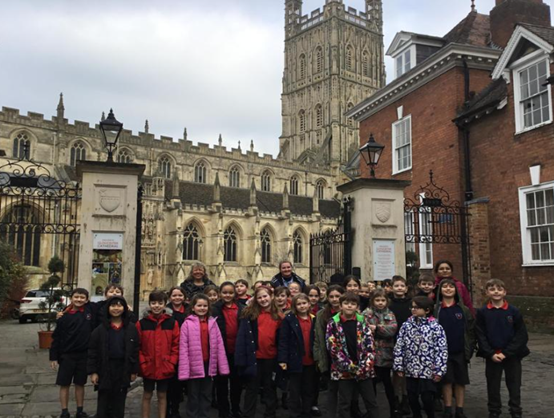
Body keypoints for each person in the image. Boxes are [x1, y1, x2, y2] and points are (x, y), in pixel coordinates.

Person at [475, 279, 529, 418]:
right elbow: (480, 335)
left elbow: (521, 335)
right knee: (493, 385)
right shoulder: (482, 312)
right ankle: (494, 410)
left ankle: (515, 410)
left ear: (505, 292)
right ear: (487, 292)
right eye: (492, 289)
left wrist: (506, 353)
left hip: (512, 355)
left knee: (514, 384)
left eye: (499, 289)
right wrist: (490, 353)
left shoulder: (513, 311)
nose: (496, 292)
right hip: (492, 355)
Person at [326, 292, 379, 418]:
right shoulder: (333, 323)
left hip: (364, 369)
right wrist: (348, 366)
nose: (349, 306)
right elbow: (333, 347)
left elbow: (370, 345)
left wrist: (365, 365)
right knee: (344, 403)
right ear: (340, 306)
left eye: (353, 304)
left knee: (371, 401)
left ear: (357, 306)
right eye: (346, 303)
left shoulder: (363, 321)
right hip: (343, 370)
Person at [393, 296, 448, 418]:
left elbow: (441, 349)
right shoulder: (406, 326)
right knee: (412, 397)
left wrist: (439, 370)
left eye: (417, 308)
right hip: (411, 368)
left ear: (427, 310)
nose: (413, 309)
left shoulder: (435, 327)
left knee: (427, 398)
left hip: (428, 370)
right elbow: (399, 345)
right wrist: (399, 365)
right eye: (412, 307)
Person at [235, 286, 283, 418]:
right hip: (254, 357)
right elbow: (243, 337)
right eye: (259, 297)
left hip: (271, 357)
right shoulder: (250, 314)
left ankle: (270, 413)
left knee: (270, 387)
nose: (263, 299)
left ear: (271, 297)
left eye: (265, 296)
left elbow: (281, 338)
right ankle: (248, 414)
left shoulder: (279, 316)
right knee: (252, 387)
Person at [179, 293, 230, 418]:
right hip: (194, 365)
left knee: (206, 394)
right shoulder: (187, 324)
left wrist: (223, 367)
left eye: (205, 306)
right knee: (193, 395)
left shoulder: (213, 323)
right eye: (199, 305)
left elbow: (219, 345)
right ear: (193, 307)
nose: (202, 308)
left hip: (208, 364)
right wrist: (184, 369)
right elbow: (183, 347)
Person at [87, 296, 139, 418]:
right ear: (108, 308)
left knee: (119, 402)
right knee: (104, 402)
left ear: (124, 308)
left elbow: (135, 350)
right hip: (105, 368)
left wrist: (134, 370)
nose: (116, 308)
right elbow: (92, 351)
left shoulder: (131, 328)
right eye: (113, 305)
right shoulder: (100, 329)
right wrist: (93, 372)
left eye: (119, 305)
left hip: (123, 368)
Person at [50, 288, 95, 418]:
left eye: (82, 297)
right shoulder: (64, 316)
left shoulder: (89, 312)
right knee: (64, 384)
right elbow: (57, 337)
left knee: (80, 384)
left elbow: (104, 305)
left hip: (83, 355)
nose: (79, 299)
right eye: (76, 297)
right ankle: (64, 411)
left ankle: (80, 410)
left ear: (86, 300)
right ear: (71, 298)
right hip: (67, 355)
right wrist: (53, 357)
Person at [434, 279, 475, 418]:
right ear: (440, 291)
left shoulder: (463, 310)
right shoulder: (436, 310)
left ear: (456, 290)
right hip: (442, 353)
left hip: (460, 351)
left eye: (451, 286)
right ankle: (447, 408)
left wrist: (469, 348)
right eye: (445, 287)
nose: (448, 289)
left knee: (460, 381)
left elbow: (470, 330)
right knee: (446, 381)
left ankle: (459, 409)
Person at [136, 290, 180, 418]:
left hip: (165, 365)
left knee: (162, 395)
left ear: (165, 304)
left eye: (160, 303)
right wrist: (142, 362)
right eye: (153, 303)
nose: (157, 306)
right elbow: (137, 346)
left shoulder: (172, 323)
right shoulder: (141, 323)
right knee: (147, 394)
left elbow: (176, 345)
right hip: (148, 365)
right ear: (149, 304)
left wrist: (171, 362)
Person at [278, 293, 317, 418]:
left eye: (304, 303)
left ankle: (306, 410)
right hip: (295, 359)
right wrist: (283, 359)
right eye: (299, 304)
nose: (302, 306)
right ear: (294, 306)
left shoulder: (314, 319)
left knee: (308, 388)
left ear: (309, 304)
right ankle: (295, 413)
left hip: (310, 360)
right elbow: (283, 340)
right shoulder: (289, 320)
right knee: (294, 389)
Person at [363, 288, 398, 418]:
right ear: (372, 301)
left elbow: (392, 329)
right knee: (371, 384)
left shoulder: (390, 314)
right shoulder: (366, 313)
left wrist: (377, 328)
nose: (380, 303)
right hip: (371, 354)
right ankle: (372, 410)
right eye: (377, 300)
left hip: (386, 354)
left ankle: (394, 408)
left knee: (387, 383)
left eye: (383, 300)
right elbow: (363, 329)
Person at [212, 281, 244, 418]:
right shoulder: (214, 309)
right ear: (220, 293)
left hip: (237, 351)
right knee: (221, 384)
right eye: (225, 292)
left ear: (234, 294)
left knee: (237, 384)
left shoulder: (241, 308)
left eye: (230, 293)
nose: (227, 295)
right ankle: (223, 411)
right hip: (221, 352)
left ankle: (236, 408)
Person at [313, 285, 345, 417]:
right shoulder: (321, 314)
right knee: (331, 390)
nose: (334, 299)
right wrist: (319, 358)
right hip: (329, 356)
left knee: (346, 391)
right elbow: (318, 336)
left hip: (346, 356)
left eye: (337, 296)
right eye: (331, 296)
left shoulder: (348, 312)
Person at [388, 275, 412, 415]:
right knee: (396, 371)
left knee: (406, 371)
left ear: (406, 289)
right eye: (396, 286)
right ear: (392, 288)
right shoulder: (389, 304)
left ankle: (405, 397)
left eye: (402, 286)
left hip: (408, 341)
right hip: (393, 340)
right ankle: (396, 396)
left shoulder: (411, 303)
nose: (399, 288)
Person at [166, 286, 187, 418]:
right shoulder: (165, 311)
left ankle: (175, 409)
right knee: (169, 382)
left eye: (180, 295)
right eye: (174, 295)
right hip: (169, 350)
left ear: (184, 297)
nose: (177, 298)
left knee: (179, 383)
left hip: (185, 350)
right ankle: (167, 409)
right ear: (170, 297)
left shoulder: (189, 311)